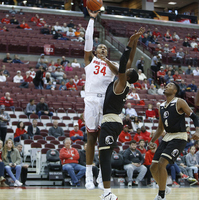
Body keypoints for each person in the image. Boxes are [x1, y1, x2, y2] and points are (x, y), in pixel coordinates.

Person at [98, 28, 143, 199]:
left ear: (128, 76)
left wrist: (130, 42)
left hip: (111, 121)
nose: (128, 68)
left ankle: (108, 193)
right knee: (104, 154)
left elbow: (124, 62)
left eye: (128, 71)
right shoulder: (123, 80)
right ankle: (106, 191)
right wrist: (136, 41)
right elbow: (128, 60)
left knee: (105, 156)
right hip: (112, 121)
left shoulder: (122, 82)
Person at [83, 9, 121, 191]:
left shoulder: (113, 65)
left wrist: (106, 60)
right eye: (100, 48)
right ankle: (88, 176)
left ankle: (101, 177)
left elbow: (118, 74)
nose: (103, 49)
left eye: (105, 48)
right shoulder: (89, 61)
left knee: (103, 141)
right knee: (91, 138)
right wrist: (91, 20)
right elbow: (88, 42)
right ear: (95, 51)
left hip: (105, 103)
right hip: (91, 100)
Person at [150, 82, 199, 200]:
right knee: (153, 167)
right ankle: (164, 188)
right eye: (166, 85)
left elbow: (195, 117)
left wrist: (197, 131)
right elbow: (160, 128)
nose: (167, 86)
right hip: (167, 137)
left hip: (179, 137)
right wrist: (152, 140)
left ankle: (161, 195)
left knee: (162, 163)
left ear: (175, 91)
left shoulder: (179, 102)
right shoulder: (161, 106)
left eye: (170, 85)